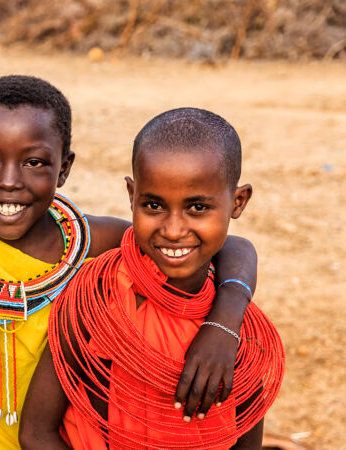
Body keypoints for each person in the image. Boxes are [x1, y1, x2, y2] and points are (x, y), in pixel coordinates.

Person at [0, 77, 260, 450]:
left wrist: (224, 324)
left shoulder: (97, 244)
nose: (9, 182)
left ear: (64, 167)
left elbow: (234, 248)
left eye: (35, 162)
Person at [19, 107, 284, 449]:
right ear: (132, 196)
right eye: (154, 206)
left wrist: (224, 327)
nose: (173, 230)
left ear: (238, 201)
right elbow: (35, 433)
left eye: (198, 208)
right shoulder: (94, 300)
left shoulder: (244, 340)